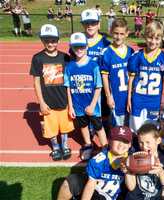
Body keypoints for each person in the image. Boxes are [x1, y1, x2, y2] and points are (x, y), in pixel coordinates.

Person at [30, 24, 74, 161]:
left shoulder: (65, 58)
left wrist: (70, 102)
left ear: (58, 40)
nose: (50, 43)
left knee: (65, 126)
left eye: (53, 40)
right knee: (51, 128)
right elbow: (36, 81)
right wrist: (41, 103)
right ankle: (55, 147)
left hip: (63, 100)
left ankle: (65, 145)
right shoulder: (37, 58)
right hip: (48, 102)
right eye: (47, 40)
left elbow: (69, 81)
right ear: (42, 40)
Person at [64, 32, 108, 161]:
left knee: (98, 126)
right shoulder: (70, 67)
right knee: (83, 126)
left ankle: (105, 147)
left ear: (87, 47)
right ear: (71, 47)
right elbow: (68, 87)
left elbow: (98, 87)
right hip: (78, 105)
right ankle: (88, 145)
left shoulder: (93, 65)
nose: (79, 50)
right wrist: (70, 106)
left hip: (92, 105)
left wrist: (93, 105)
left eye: (82, 46)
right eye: (76, 47)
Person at [57, 126, 132, 200]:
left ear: (129, 145)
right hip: (97, 192)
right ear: (109, 141)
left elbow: (131, 187)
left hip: (116, 195)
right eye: (117, 140)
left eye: (125, 141)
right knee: (70, 182)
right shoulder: (99, 160)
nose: (121, 144)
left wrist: (127, 171)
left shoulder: (133, 160)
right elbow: (90, 186)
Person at [127, 20, 164, 132]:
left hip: (154, 101)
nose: (153, 41)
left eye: (157, 38)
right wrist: (129, 99)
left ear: (161, 39)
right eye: (150, 37)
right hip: (138, 99)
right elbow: (131, 78)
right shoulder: (137, 56)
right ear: (145, 36)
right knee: (135, 130)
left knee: (152, 131)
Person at [80, 8, 111, 133]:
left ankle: (104, 130)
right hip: (85, 85)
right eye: (87, 23)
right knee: (86, 111)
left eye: (93, 22)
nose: (90, 26)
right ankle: (91, 131)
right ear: (82, 24)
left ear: (98, 24)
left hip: (102, 85)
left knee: (104, 111)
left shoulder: (106, 43)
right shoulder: (78, 41)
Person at [101, 18, 134, 127]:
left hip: (129, 95)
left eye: (121, 34)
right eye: (116, 33)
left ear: (127, 34)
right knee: (117, 127)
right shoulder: (106, 52)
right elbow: (104, 77)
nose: (118, 37)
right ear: (111, 32)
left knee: (130, 125)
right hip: (116, 96)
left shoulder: (131, 52)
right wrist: (108, 96)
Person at [125, 123, 164, 199]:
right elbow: (131, 188)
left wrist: (160, 172)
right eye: (141, 142)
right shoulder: (133, 157)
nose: (144, 146)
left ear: (158, 140)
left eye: (148, 142)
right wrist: (127, 171)